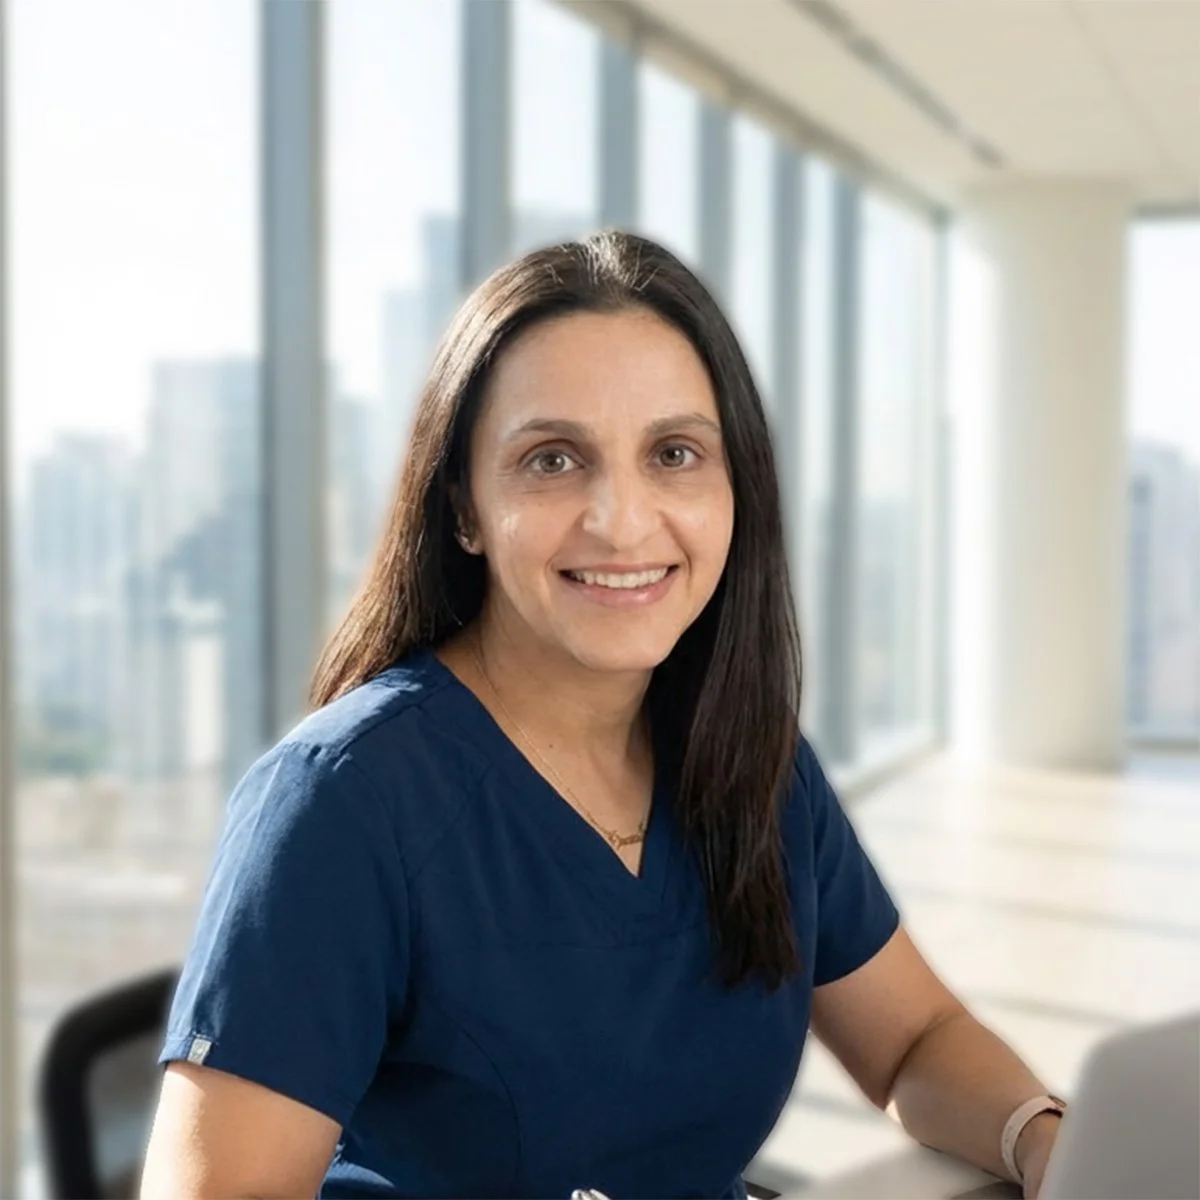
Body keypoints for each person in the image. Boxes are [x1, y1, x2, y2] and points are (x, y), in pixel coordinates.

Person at [140, 231, 1062, 1199]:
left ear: (736, 488)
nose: (622, 520)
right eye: (552, 460)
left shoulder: (754, 763)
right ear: (463, 507)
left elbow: (914, 1038)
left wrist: (1042, 1141)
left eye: (674, 454)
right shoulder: (344, 804)